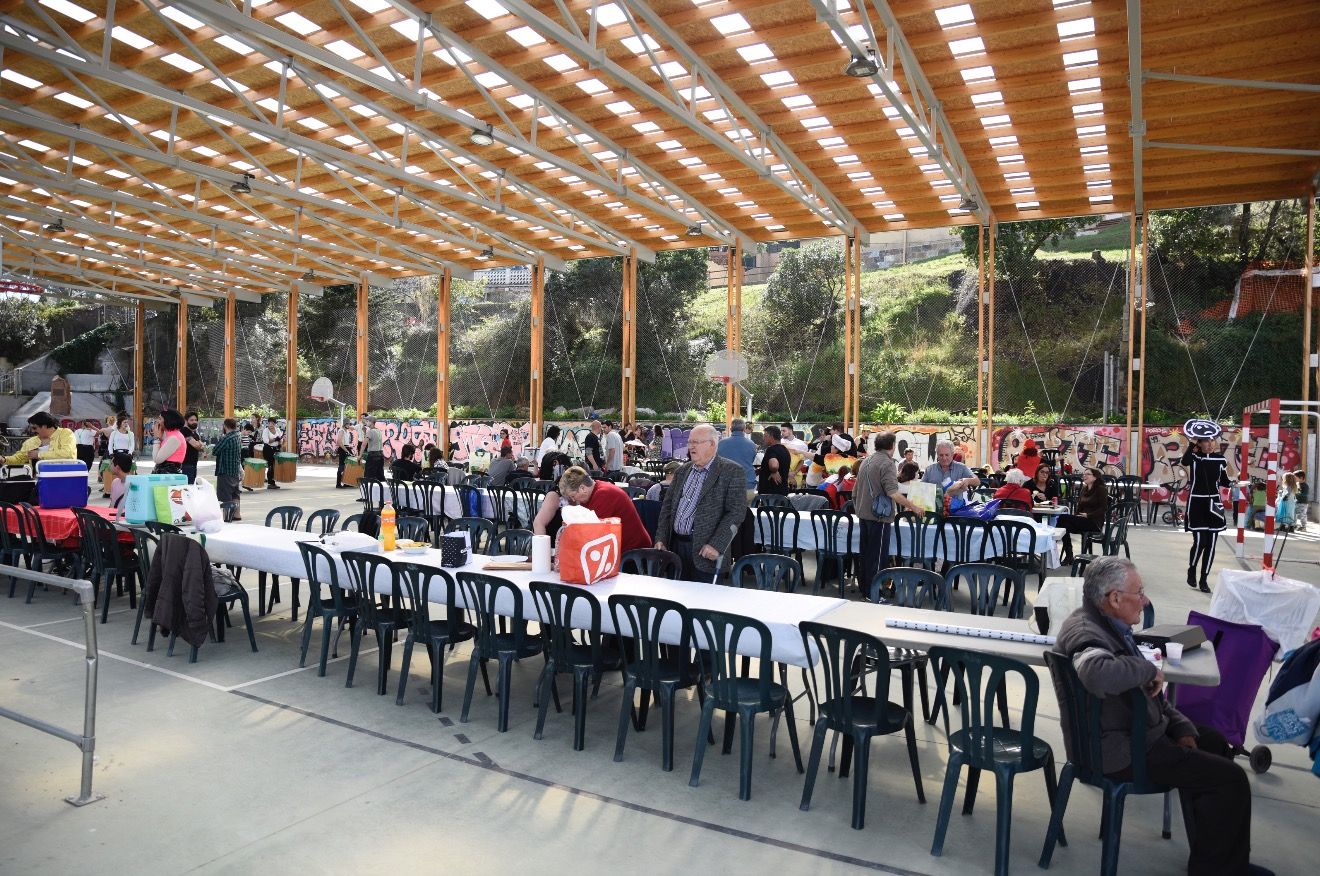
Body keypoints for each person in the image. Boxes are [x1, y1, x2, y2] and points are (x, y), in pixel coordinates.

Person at [1054, 556, 1270, 876]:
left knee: (1213, 742)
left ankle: (1214, 860)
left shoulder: (1111, 625)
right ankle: (1219, 870)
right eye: (1139, 592)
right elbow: (1096, 673)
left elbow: (1148, 697)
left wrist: (1180, 725)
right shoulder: (1086, 631)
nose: (1145, 601)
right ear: (1114, 598)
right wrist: (1146, 668)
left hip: (1136, 731)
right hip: (1120, 751)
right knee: (1231, 780)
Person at [655, 423, 748, 582]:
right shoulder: (682, 471)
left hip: (707, 552)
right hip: (675, 549)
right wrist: (661, 538)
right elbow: (667, 508)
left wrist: (717, 545)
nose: (691, 447)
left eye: (696, 442)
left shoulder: (731, 471)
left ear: (712, 444)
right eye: (690, 442)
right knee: (674, 595)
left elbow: (736, 512)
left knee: (704, 597)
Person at [855, 431, 922, 591]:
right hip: (879, 517)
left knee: (865, 555)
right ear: (892, 445)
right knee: (877, 558)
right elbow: (893, 493)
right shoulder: (887, 463)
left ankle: (864, 589)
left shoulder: (866, 461)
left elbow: (855, 491)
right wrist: (914, 506)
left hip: (863, 514)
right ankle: (873, 593)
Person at [552, 466, 652, 554]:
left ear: (582, 488)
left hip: (635, 553)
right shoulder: (594, 491)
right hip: (623, 549)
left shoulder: (604, 495)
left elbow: (592, 536)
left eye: (573, 496)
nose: (573, 500)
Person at [1181, 423, 1230, 593]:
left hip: (1214, 504)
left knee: (1211, 543)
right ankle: (1192, 569)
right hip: (1197, 503)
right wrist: (1192, 446)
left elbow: (1224, 481)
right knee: (1200, 541)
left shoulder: (1220, 460)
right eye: (1206, 441)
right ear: (1200, 443)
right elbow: (1184, 461)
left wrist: (1236, 483)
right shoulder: (1194, 458)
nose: (1210, 444)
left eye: (1212, 441)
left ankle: (1204, 579)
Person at [1057, 467, 1109, 565]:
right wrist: (1077, 516)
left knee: (1062, 517)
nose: (1084, 476)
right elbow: (1079, 507)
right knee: (1064, 526)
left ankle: (1066, 554)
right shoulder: (1084, 489)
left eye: (1088, 474)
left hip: (1094, 522)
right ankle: (1069, 555)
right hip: (1083, 520)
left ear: (1095, 477)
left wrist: (1088, 515)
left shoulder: (1101, 489)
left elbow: (1103, 509)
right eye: (1084, 474)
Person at [4, 411, 76, 471]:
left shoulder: (65, 433)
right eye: (31, 428)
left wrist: (39, 454)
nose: (32, 431)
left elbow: (68, 454)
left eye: (34, 428)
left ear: (44, 426)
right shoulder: (30, 442)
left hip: (65, 475)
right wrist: (4, 459)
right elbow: (19, 458)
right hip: (39, 479)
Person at [716, 417, 757, 501]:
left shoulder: (721, 443)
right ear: (744, 429)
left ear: (731, 429)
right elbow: (751, 461)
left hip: (725, 486)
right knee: (748, 508)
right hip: (747, 485)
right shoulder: (751, 444)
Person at [213, 418, 242, 521]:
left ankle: (227, 516)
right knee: (235, 494)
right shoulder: (238, 436)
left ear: (225, 426)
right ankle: (237, 514)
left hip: (225, 470)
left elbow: (215, 450)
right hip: (235, 469)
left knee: (225, 496)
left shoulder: (226, 438)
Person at [757, 425, 791, 496]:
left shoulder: (771, 449)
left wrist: (774, 471)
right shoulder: (785, 450)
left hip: (770, 494)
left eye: (765, 436)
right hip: (782, 491)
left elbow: (774, 465)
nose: (764, 438)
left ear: (771, 436)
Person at [152, 409, 187, 476]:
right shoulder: (171, 436)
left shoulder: (174, 438)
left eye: (160, 419)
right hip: (167, 473)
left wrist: (156, 439)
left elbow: (157, 459)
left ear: (167, 420)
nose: (157, 422)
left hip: (168, 475)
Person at [181, 410, 204, 484]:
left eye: (195, 420)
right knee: (188, 486)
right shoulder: (184, 431)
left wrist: (199, 445)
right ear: (186, 421)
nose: (194, 422)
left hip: (193, 464)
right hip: (186, 464)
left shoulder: (194, 433)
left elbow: (202, 447)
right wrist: (199, 445)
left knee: (192, 485)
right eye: (191, 420)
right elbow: (197, 445)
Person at [260, 417, 282, 489]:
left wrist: (280, 442)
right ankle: (270, 483)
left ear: (274, 424)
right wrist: (275, 439)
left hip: (276, 449)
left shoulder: (277, 429)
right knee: (270, 465)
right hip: (268, 449)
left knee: (275, 465)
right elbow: (266, 441)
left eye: (272, 423)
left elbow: (280, 440)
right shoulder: (266, 430)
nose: (270, 424)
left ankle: (274, 481)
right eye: (269, 423)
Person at [335, 419, 357, 488]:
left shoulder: (347, 431)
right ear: (344, 424)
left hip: (347, 448)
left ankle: (347, 482)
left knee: (348, 466)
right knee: (342, 466)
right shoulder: (341, 431)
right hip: (343, 449)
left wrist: (348, 450)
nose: (348, 425)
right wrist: (346, 451)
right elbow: (339, 441)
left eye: (349, 424)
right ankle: (338, 484)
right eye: (347, 424)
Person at [362, 417, 385, 481]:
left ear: (371, 422)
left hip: (373, 456)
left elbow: (364, 444)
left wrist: (360, 455)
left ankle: (370, 487)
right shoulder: (378, 431)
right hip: (380, 455)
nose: (366, 422)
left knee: (369, 476)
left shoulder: (370, 431)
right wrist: (365, 432)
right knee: (380, 475)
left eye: (367, 421)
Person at [238, 422, 256, 492]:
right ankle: (236, 487)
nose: (249, 434)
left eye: (250, 433)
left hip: (246, 453)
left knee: (247, 469)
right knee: (240, 471)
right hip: (241, 454)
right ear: (244, 429)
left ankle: (246, 483)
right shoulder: (239, 435)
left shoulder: (246, 436)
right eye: (248, 432)